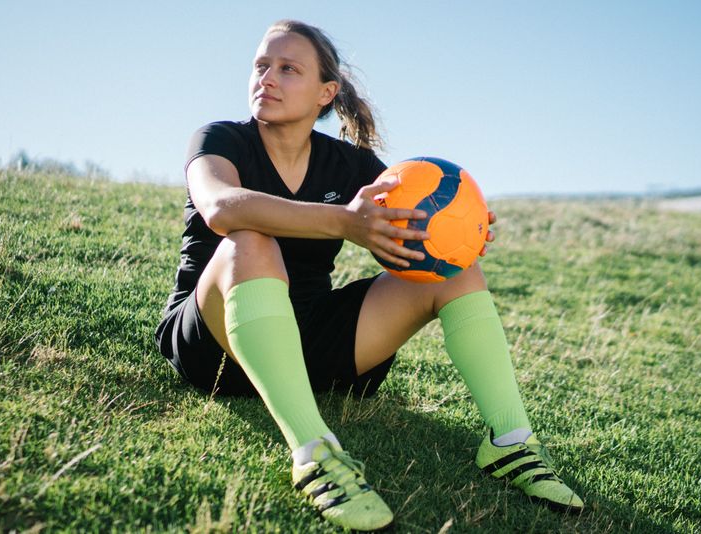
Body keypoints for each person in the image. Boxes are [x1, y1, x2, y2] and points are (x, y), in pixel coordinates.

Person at [154, 19, 583, 531]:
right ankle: (316, 455)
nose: (267, 78)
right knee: (250, 241)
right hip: (215, 344)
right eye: (261, 65)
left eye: (289, 69)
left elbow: (408, 222)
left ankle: (511, 443)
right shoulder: (220, 139)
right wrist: (344, 221)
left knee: (457, 271)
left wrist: (458, 232)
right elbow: (221, 207)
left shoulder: (350, 163)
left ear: (325, 93)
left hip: (311, 340)